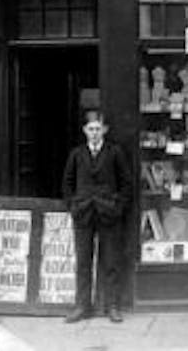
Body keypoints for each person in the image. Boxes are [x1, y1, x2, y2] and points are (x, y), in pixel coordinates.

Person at [62, 110, 132, 323]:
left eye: (98, 129)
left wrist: (117, 207)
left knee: (110, 261)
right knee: (83, 261)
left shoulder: (114, 152)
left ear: (105, 130)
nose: (94, 133)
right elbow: (67, 183)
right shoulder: (76, 154)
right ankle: (82, 306)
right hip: (83, 214)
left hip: (108, 214)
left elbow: (126, 184)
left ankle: (111, 306)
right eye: (90, 129)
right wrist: (73, 206)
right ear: (84, 131)